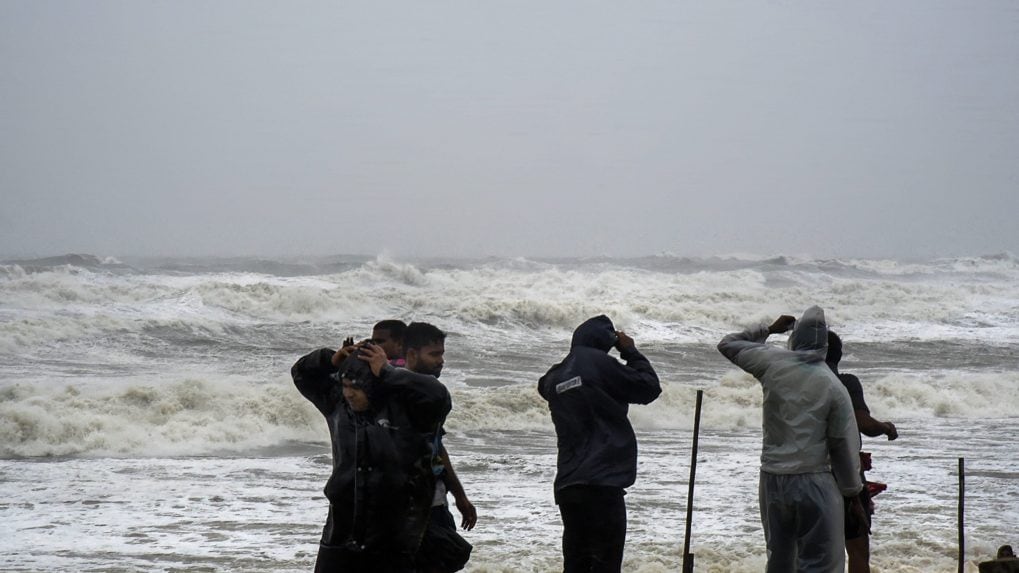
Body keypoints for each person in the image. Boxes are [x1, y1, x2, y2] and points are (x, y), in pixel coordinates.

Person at [717, 306, 864, 573]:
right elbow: (842, 445)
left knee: (780, 561)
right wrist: (853, 493)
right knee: (822, 564)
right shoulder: (834, 387)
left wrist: (769, 330)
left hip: (772, 480)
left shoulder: (773, 363)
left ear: (794, 339)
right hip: (815, 482)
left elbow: (728, 344)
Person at [292, 341, 451, 572]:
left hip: (394, 536)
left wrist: (388, 371)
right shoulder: (337, 405)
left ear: (375, 385)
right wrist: (330, 359)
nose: (349, 394)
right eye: (345, 385)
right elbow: (301, 373)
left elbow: (438, 395)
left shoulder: (408, 411)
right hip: (340, 530)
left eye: (355, 388)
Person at [537, 315, 662, 572]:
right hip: (602, 482)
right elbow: (649, 388)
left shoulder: (554, 376)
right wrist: (630, 351)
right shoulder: (602, 364)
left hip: (568, 484)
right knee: (606, 563)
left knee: (576, 562)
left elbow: (544, 387)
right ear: (606, 341)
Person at [403, 322, 476, 573]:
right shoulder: (397, 393)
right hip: (410, 510)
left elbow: (437, 449)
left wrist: (459, 495)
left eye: (442, 354)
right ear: (411, 354)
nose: (441, 361)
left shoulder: (430, 393)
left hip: (436, 502)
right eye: (434, 354)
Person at [826, 330, 898, 573]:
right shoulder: (846, 382)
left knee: (808, 548)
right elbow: (864, 425)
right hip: (845, 472)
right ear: (839, 355)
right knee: (856, 549)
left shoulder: (794, 382)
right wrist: (886, 427)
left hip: (803, 472)